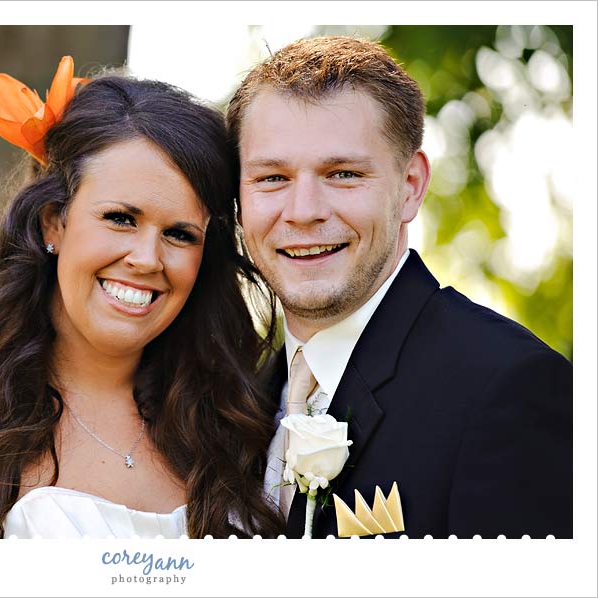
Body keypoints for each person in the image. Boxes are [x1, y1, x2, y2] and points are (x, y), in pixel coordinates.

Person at [0, 56, 285, 539]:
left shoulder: (246, 435)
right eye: (121, 218)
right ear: (53, 221)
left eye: (180, 234)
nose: (147, 259)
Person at [227, 36, 573, 538]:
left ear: (411, 185)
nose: (303, 211)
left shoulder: (508, 386)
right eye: (271, 179)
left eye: (342, 174)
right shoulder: (234, 404)